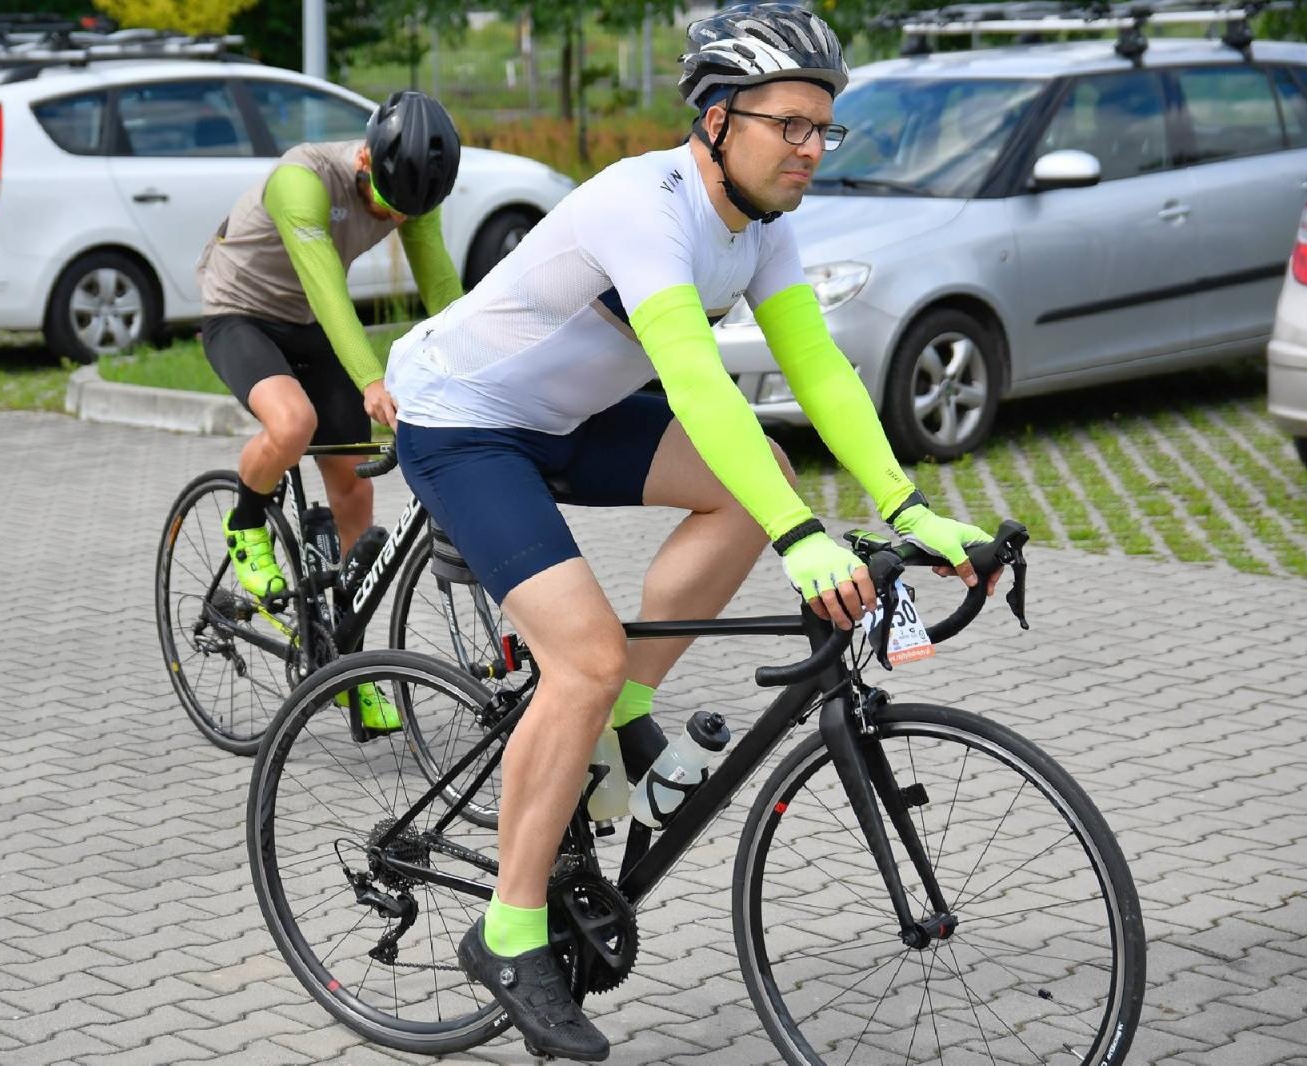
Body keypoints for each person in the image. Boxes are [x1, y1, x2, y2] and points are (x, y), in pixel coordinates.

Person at [381, 4, 1000, 1059]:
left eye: (823, 129)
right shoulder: (643, 204)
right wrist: (804, 535)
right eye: (790, 126)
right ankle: (509, 926)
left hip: (565, 417)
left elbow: (816, 370)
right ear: (716, 119)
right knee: (578, 654)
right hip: (464, 421)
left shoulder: (760, 225)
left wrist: (904, 507)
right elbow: (697, 379)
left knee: (746, 487)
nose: (811, 149)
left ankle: (620, 720)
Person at [196, 90, 463, 731]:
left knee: (354, 482)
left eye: (403, 213)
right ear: (365, 159)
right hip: (240, 313)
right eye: (382, 203)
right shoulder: (303, 180)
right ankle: (246, 526)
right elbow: (327, 284)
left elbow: (442, 289)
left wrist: (480, 359)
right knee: (293, 424)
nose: (389, 217)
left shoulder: (410, 198)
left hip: (307, 323)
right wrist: (371, 379)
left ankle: (345, 660)